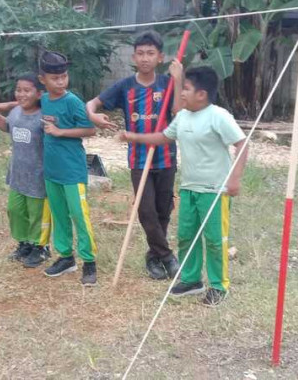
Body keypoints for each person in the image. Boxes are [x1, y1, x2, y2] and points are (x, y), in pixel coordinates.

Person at [119, 66, 248, 307]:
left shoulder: (218, 116)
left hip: (214, 191)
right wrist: (134, 137)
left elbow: (242, 143)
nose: (181, 94)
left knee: (213, 239)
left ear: (202, 94)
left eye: (186, 89)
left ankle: (219, 286)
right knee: (187, 236)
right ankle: (191, 280)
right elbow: (164, 137)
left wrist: (235, 178)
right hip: (189, 188)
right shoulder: (183, 117)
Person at [86, 31, 183, 280]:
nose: (145, 58)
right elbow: (91, 105)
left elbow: (178, 114)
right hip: (139, 160)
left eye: (151, 53)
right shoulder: (125, 86)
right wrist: (94, 116)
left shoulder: (167, 83)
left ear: (160, 57)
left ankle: (153, 258)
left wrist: (179, 80)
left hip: (166, 156)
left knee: (163, 210)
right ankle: (168, 257)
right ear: (133, 57)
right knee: (146, 210)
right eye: (140, 53)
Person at [38, 51, 98, 286]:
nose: (61, 82)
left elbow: (90, 129)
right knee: (59, 216)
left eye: (64, 77)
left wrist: (60, 132)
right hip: (52, 171)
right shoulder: (43, 99)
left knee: (79, 216)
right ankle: (65, 257)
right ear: (42, 79)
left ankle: (89, 262)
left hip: (72, 171)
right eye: (55, 78)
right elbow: (23, 101)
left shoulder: (72, 101)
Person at [0, 74, 51, 268]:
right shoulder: (16, 112)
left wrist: (5, 104)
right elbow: (7, 127)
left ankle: (40, 247)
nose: (21, 94)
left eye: (27, 90)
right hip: (17, 174)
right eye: (18, 90)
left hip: (38, 175)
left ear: (39, 93)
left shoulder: (44, 116)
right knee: (15, 210)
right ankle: (24, 243)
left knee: (36, 213)